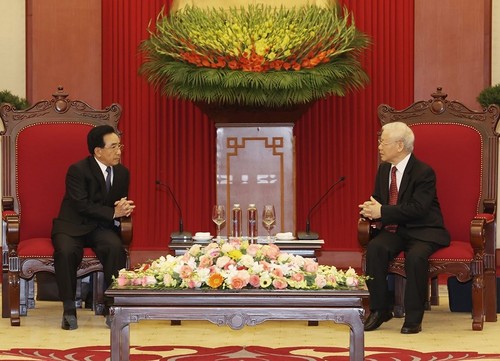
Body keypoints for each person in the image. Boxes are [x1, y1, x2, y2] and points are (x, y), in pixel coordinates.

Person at [358, 121, 450, 334]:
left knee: (416, 257)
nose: (379, 146)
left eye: (383, 142)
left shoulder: (424, 172)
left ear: (399, 146)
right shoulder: (384, 170)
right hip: (396, 229)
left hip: (424, 230)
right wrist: (370, 209)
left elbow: (418, 209)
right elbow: (380, 200)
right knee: (375, 248)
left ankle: (413, 317)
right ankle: (380, 310)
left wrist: (383, 212)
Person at [51, 125, 135, 330]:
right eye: (113, 147)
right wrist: (114, 213)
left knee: (115, 248)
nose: (119, 151)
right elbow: (81, 205)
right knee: (66, 251)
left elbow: (117, 203)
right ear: (98, 151)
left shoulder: (122, 172)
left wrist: (122, 208)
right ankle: (69, 309)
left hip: (100, 227)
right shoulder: (78, 170)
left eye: (120, 146)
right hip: (72, 225)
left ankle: (111, 307)